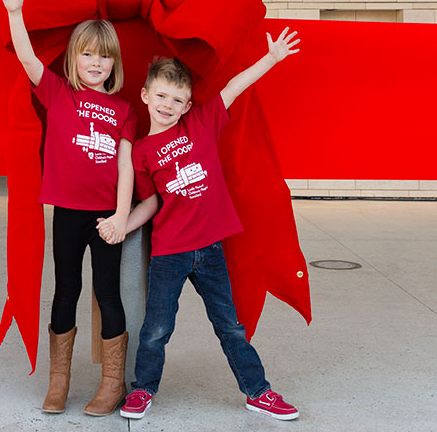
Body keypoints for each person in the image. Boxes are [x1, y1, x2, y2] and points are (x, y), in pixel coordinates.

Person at [97, 27, 301, 421]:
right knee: (156, 330)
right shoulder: (141, 152)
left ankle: (258, 391)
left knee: (231, 327)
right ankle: (143, 391)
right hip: (169, 253)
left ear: (188, 106)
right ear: (145, 96)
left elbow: (234, 86)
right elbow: (151, 202)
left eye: (177, 100)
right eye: (161, 96)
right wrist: (122, 226)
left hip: (210, 251)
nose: (167, 105)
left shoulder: (202, 124)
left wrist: (272, 58)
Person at [0, 0, 137, 416]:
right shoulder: (58, 92)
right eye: (88, 53)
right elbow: (25, 57)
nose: (96, 63)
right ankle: (59, 383)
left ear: (114, 62)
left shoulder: (125, 109)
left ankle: (112, 384)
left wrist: (120, 216)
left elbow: (127, 166)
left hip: (107, 219)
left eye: (104, 55)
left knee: (108, 294)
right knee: (65, 291)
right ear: (75, 57)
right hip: (67, 213)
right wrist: (15, 12)